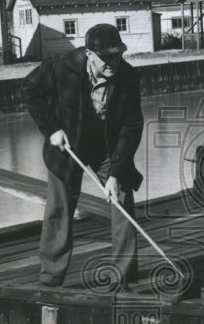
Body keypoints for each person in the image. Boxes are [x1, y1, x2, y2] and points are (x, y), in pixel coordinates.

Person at [22, 23, 143, 288]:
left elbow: (130, 129)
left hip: (106, 146)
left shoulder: (128, 78)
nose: (114, 62)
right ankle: (51, 276)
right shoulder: (61, 65)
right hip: (68, 144)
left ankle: (124, 273)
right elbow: (30, 90)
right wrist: (51, 129)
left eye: (118, 54)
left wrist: (115, 173)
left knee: (121, 196)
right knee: (59, 206)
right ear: (89, 54)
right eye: (106, 57)